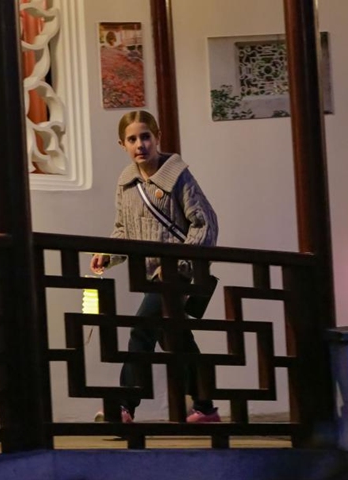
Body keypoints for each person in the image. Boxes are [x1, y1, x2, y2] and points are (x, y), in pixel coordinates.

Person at [90, 110, 220, 423]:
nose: (140, 144)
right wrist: (108, 254)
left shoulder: (178, 176)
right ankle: (205, 408)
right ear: (122, 144)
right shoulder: (126, 183)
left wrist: (182, 264)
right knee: (174, 339)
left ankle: (123, 407)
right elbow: (123, 229)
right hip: (151, 275)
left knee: (142, 330)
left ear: (157, 137)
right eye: (132, 139)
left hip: (177, 273)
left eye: (146, 136)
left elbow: (205, 224)